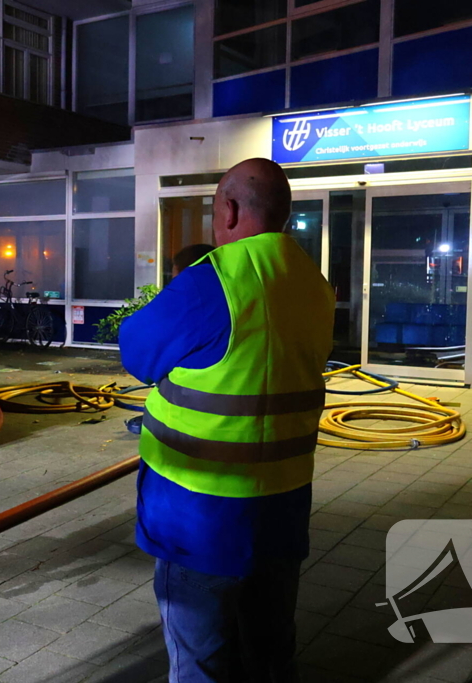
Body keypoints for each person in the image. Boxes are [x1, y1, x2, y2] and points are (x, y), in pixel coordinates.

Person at [119, 158, 335, 683]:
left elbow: (137, 352)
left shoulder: (213, 281)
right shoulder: (313, 283)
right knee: (270, 653)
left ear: (231, 210)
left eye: (216, 210)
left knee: (201, 665)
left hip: (201, 517)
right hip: (283, 511)